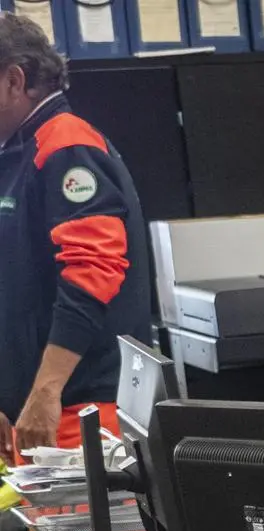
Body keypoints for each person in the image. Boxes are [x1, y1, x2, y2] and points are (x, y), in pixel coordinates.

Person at [0, 13, 152, 458]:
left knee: (95, 529)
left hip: (78, 407)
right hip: (32, 412)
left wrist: (45, 393)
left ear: (14, 80)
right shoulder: (17, 155)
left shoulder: (66, 144)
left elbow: (92, 273)